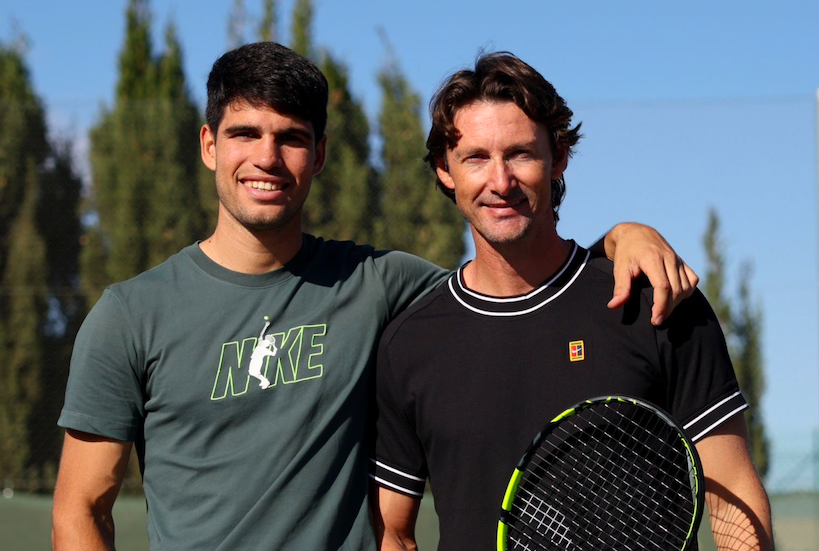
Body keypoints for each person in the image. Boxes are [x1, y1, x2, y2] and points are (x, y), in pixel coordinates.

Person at [52, 42, 697, 551]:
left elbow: (508, 281)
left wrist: (620, 237)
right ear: (208, 145)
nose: (268, 158)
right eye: (246, 134)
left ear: (321, 153)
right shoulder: (129, 316)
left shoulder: (385, 286)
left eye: (292, 138)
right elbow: (79, 508)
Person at [370, 52, 774, 551]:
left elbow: (731, 489)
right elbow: (393, 533)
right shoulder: (408, 345)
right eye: (476, 157)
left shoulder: (658, 300)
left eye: (520, 153)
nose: (500, 181)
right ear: (445, 170)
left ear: (558, 157)